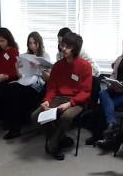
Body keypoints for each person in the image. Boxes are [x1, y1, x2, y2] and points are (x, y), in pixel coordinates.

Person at [29, 32, 93, 160]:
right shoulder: (58, 66)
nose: (63, 49)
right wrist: (47, 101)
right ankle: (61, 139)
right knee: (35, 116)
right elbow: (52, 88)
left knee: (66, 116)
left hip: (76, 101)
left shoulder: (85, 66)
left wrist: (70, 103)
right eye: (62, 45)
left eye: (68, 47)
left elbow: (85, 92)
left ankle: (53, 145)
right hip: (59, 97)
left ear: (75, 48)